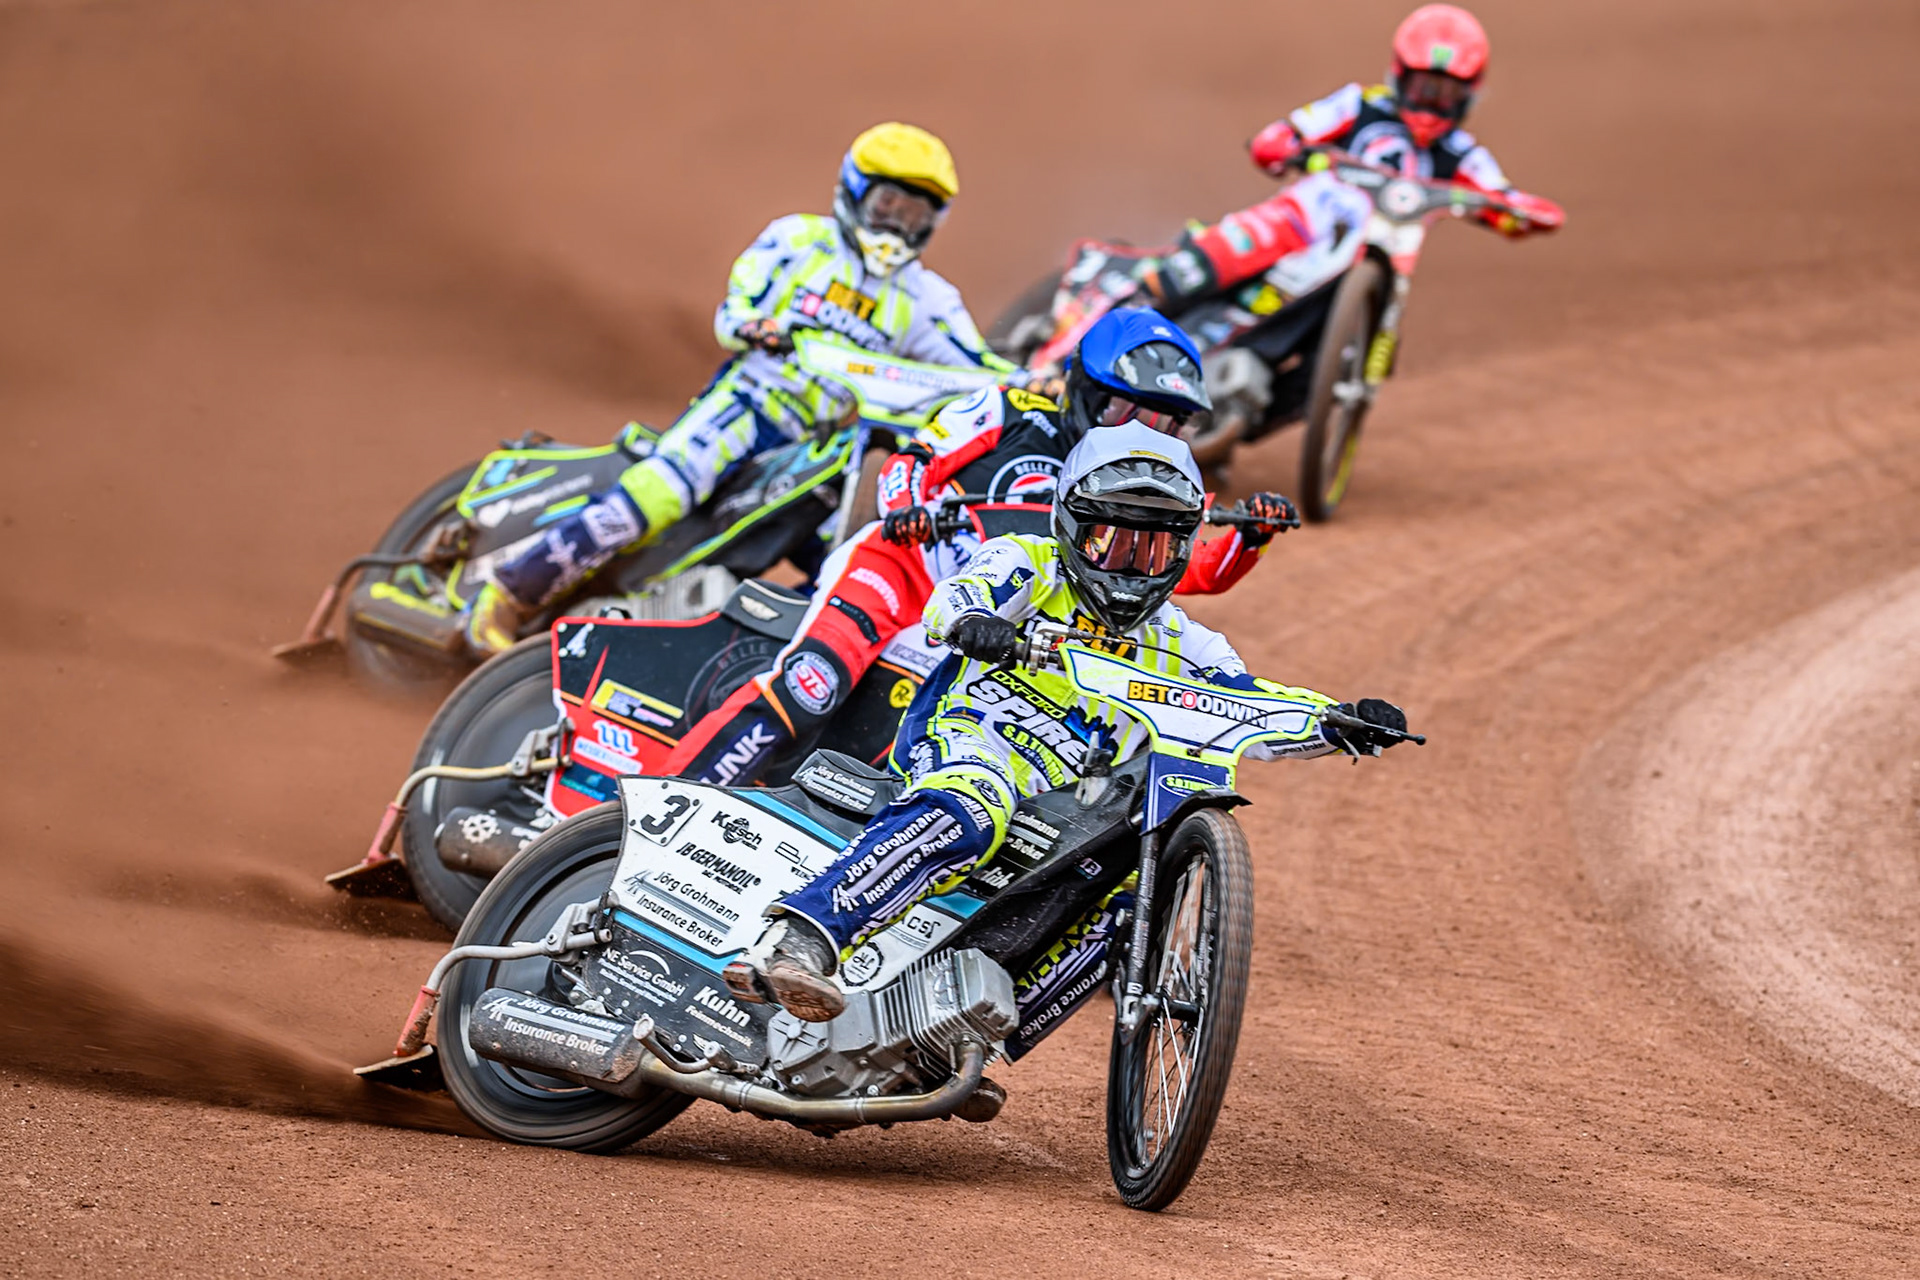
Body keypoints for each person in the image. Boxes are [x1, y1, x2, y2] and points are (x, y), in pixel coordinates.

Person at [721, 422, 1407, 1022]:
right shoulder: (1026, 562)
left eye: (1154, 549)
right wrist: (980, 627)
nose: (1133, 567)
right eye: (1115, 543)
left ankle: (950, 1030)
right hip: (967, 741)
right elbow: (950, 602)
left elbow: (1247, 701)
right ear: (1074, 528)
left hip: (1059, 800)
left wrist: (1334, 722)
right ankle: (804, 937)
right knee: (974, 807)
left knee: (1115, 884)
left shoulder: (1183, 639)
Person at [657, 307, 1299, 789]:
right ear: (1085, 390)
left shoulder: (1145, 491)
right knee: (808, 687)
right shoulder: (1009, 410)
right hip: (901, 573)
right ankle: (660, 804)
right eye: (1131, 412)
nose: (1143, 434)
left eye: (1167, 423)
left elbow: (1178, 575)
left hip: (1000, 627)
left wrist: (1252, 535)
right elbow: (912, 459)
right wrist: (905, 509)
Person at [462, 122, 1014, 655]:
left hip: (818, 444)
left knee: (842, 555)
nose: (896, 224)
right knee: (657, 496)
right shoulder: (800, 240)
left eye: (914, 213)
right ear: (855, 191)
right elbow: (738, 306)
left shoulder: (927, 298)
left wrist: (1031, 383)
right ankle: (507, 594)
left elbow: (976, 365)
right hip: (746, 404)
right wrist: (757, 327)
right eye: (888, 205)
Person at [1129, 4, 1565, 314]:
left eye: (1447, 93)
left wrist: (1524, 212)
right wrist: (1284, 145)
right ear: (1399, 76)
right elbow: (1288, 132)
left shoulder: (1463, 155)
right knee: (1188, 272)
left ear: (1469, 94)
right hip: (1296, 223)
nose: (1432, 103)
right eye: (1423, 88)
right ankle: (1093, 326)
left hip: (1376, 262)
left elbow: (1505, 200)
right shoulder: (1359, 105)